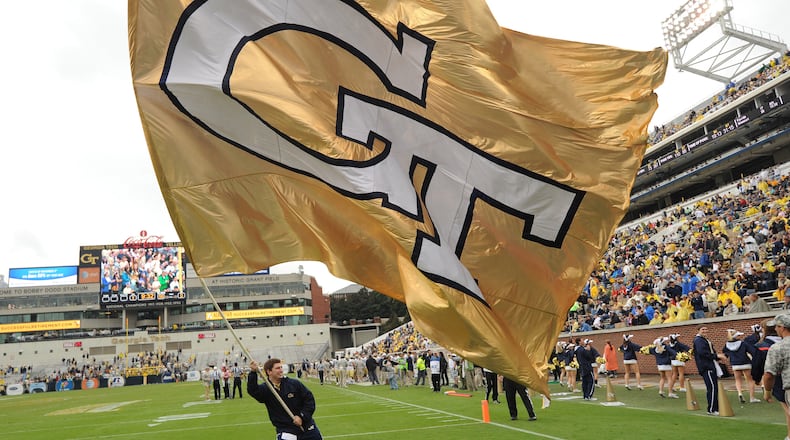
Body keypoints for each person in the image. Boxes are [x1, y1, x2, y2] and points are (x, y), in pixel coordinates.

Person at [248, 358, 322, 440]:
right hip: (286, 430)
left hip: (307, 428)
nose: (281, 370)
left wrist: (302, 417)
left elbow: (309, 400)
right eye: (277, 368)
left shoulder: (294, 383)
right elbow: (253, 390)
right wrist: (253, 372)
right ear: (269, 372)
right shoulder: (266, 389)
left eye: (281, 367)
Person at [762, 314, 790, 440]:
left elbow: (769, 375)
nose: (775, 330)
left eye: (776, 327)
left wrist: (767, 391)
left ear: (782, 327)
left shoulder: (777, 347)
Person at [693, 325, 726, 415]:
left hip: (710, 365)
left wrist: (718, 357)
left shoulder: (704, 340)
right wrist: (716, 356)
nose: (705, 331)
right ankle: (711, 409)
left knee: (714, 387)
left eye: (706, 329)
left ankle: (715, 407)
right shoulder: (699, 340)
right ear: (698, 330)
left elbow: (711, 352)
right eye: (703, 329)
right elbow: (703, 353)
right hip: (706, 367)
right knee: (712, 388)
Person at [722, 328, 759, 403]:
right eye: (739, 335)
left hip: (735, 364)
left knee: (738, 380)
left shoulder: (727, 344)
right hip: (746, 363)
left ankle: (739, 393)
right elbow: (752, 351)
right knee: (750, 380)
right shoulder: (743, 343)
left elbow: (725, 353)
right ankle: (752, 398)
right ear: (736, 336)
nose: (740, 336)